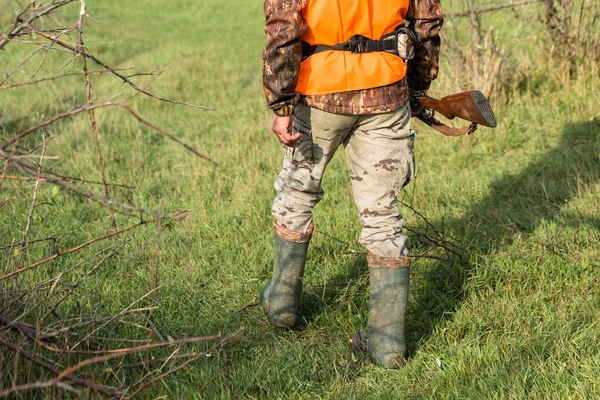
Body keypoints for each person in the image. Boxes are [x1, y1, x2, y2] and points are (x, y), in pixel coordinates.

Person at [260, 0, 443, 368]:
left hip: (318, 96)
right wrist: (417, 85)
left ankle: (281, 305)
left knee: (296, 195)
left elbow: (282, 27)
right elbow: (427, 20)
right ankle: (386, 344)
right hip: (387, 92)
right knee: (383, 216)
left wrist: (281, 104)